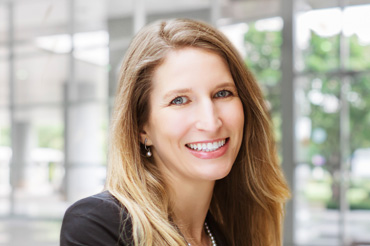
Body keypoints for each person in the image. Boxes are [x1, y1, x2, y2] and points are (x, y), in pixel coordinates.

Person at [60, 18, 290, 246]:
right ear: (142, 128)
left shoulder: (232, 231)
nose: (210, 123)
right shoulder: (97, 226)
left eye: (222, 93)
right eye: (179, 100)